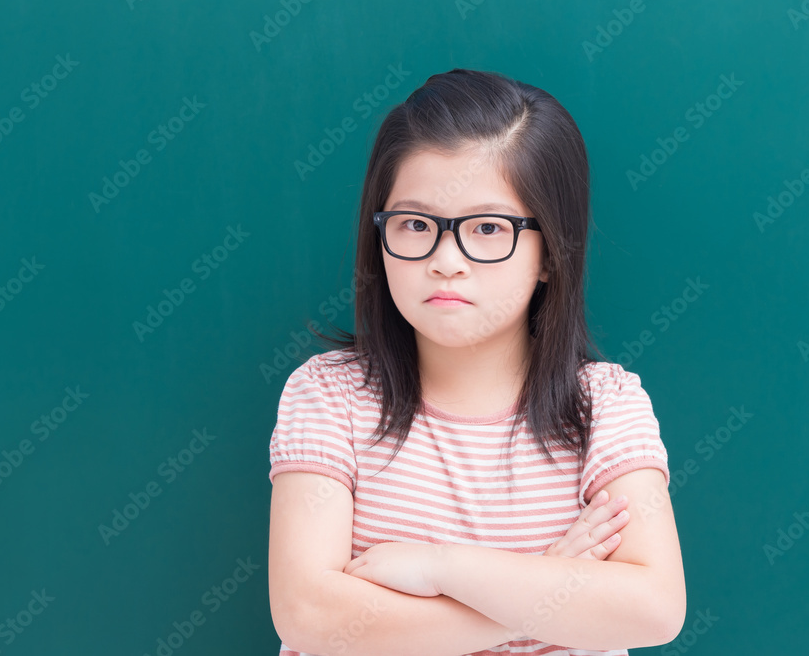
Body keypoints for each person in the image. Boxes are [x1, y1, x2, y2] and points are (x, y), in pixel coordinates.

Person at [268, 68, 685, 655]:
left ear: (550, 253)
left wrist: (439, 568)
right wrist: (541, 590)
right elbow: (309, 614)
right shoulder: (329, 395)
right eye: (415, 224)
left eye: (488, 228)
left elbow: (652, 609)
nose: (445, 260)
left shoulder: (604, 407)